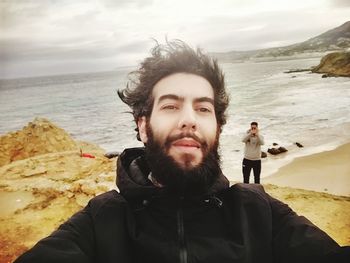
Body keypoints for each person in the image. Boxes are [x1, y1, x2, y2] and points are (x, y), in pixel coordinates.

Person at [15, 40, 349, 263]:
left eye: (203, 109)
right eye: (171, 105)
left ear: (217, 127)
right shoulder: (101, 222)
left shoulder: (260, 213)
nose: (189, 119)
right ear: (143, 125)